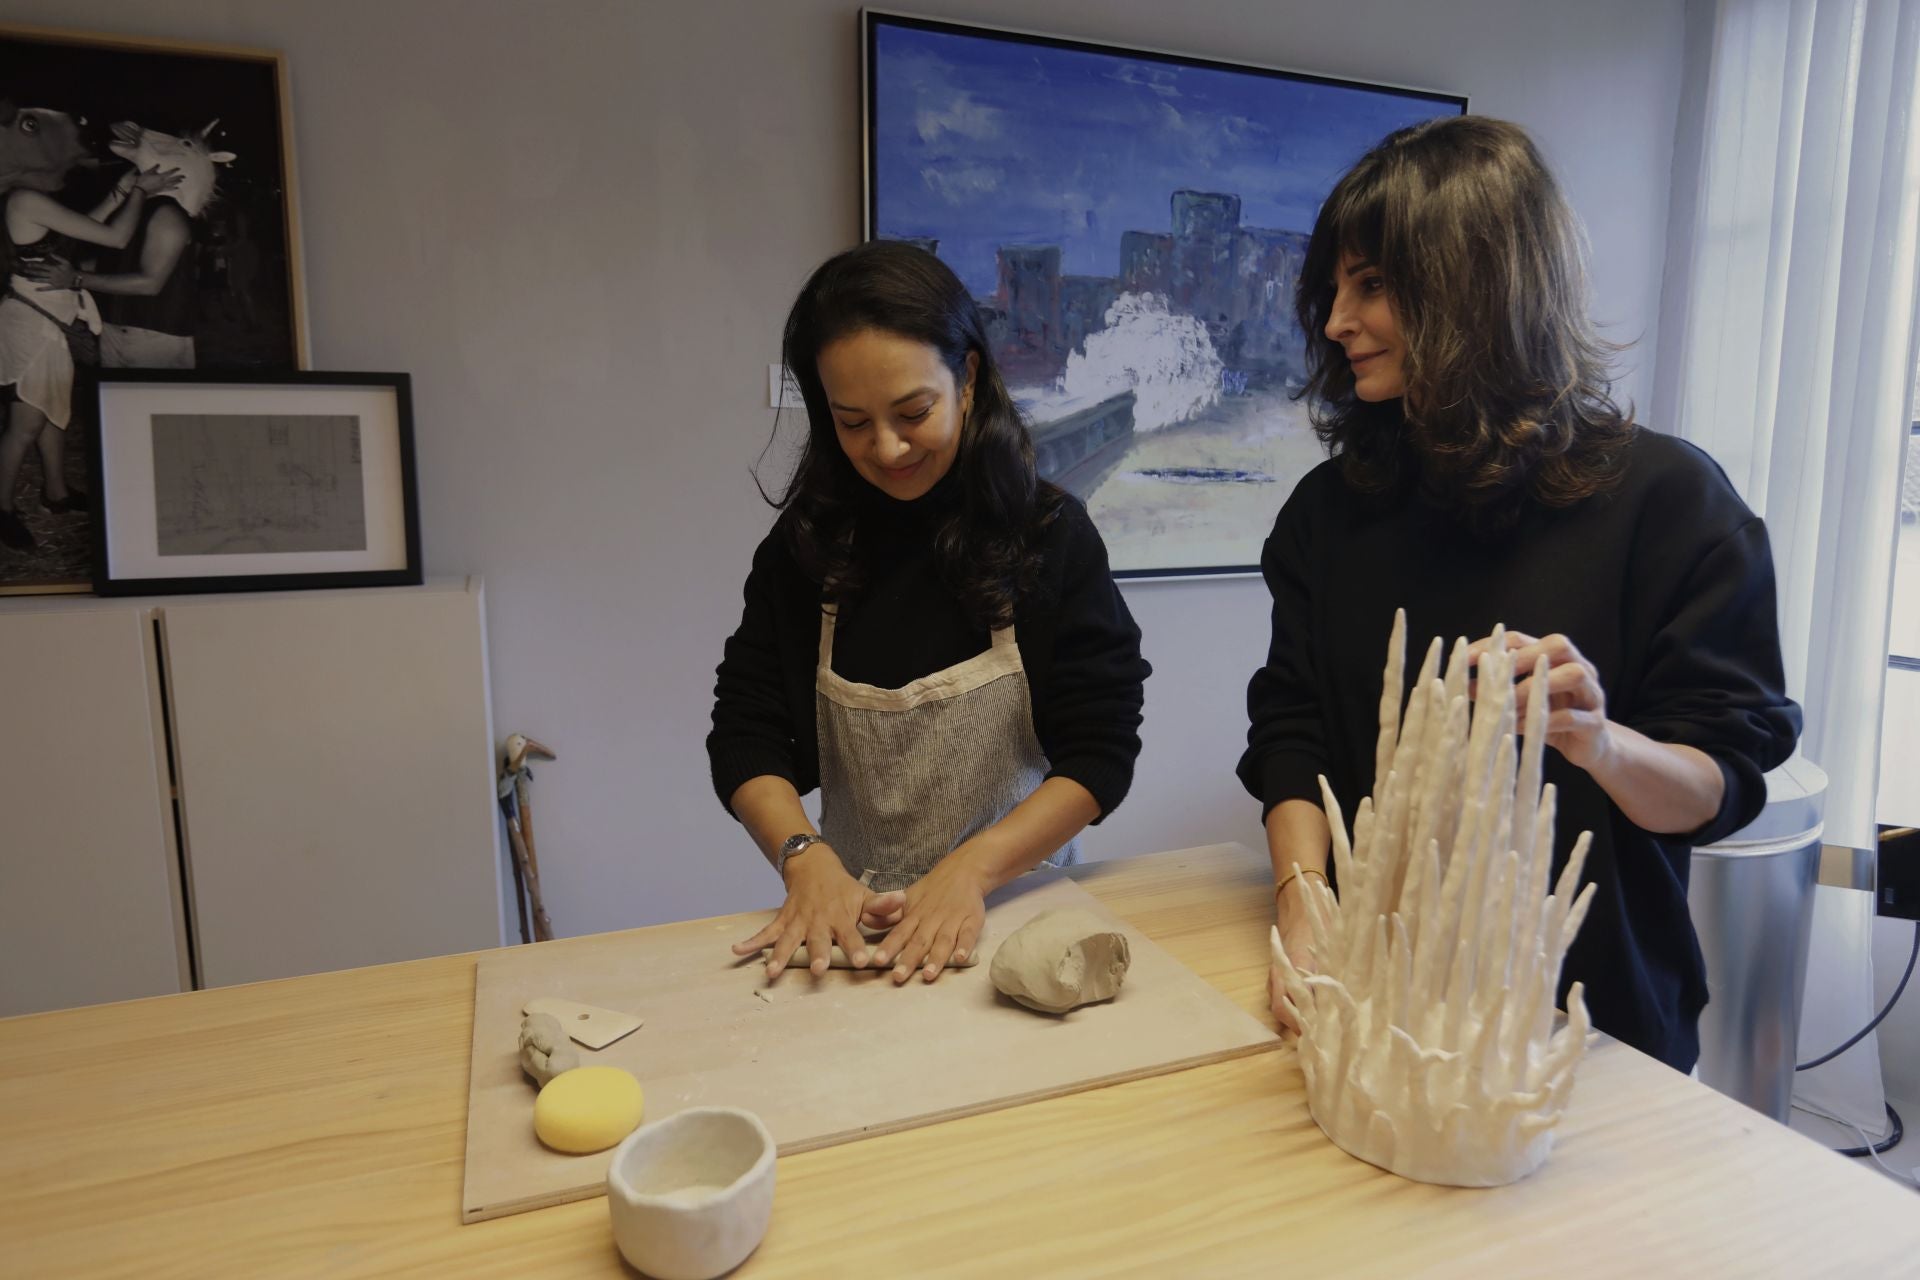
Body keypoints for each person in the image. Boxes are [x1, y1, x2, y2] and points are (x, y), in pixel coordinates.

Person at [1239, 116, 1801, 1071]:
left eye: (1370, 285)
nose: (1336, 322)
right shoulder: (1329, 514)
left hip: (1594, 1033)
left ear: (1474, 285)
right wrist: (1301, 896)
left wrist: (1601, 743)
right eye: (1333, 288)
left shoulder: (1674, 507)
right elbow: (1291, 733)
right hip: (1376, 1008)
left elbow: (1718, 785)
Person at [710, 240, 1150, 985]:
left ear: (968, 378)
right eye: (852, 423)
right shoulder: (806, 549)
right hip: (856, 923)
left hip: (1021, 910)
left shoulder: (1047, 538)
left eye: (913, 412)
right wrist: (803, 856)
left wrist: (973, 872)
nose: (886, 448)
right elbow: (745, 733)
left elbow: (1100, 751)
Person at [0, 128, 175, 553]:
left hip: (46, 321)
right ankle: (1, 509)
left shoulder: (32, 200)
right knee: (26, 424)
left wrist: (126, 187)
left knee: (52, 409)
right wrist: (140, 194)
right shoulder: (25, 200)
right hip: (33, 324)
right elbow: (115, 238)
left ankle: (56, 492)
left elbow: (83, 229)